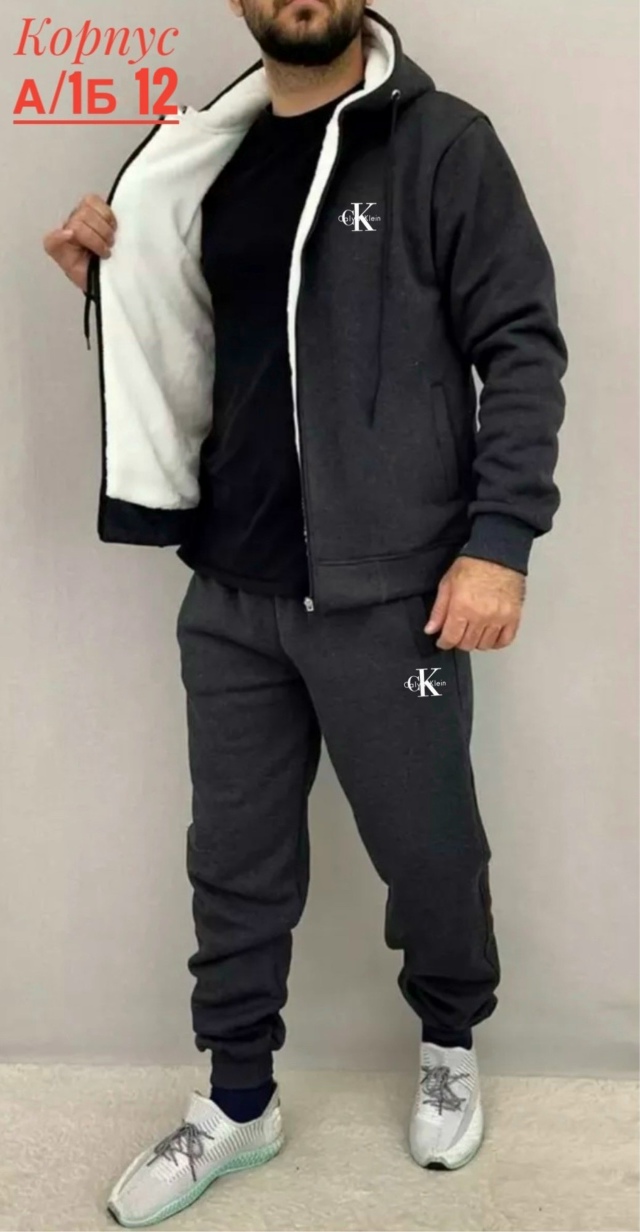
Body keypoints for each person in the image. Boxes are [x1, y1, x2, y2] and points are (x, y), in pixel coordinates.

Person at [43, 0, 568, 1224]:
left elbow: (522, 345)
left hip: (392, 592)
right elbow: (212, 349)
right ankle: (238, 1099)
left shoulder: (442, 143)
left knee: (430, 849)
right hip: (230, 587)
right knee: (233, 863)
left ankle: (448, 1038)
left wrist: (499, 543)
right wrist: (113, 283)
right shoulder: (205, 154)